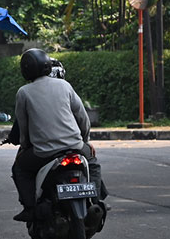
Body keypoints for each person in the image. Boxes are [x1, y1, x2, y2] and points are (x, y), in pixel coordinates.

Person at [11, 48, 104, 222]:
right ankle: (96, 201)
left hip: (45, 153)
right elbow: (82, 117)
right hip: (75, 147)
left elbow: (23, 128)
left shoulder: (23, 92)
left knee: (20, 168)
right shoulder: (64, 85)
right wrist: (86, 141)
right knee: (92, 163)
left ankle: (30, 208)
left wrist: (24, 147)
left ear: (26, 70)